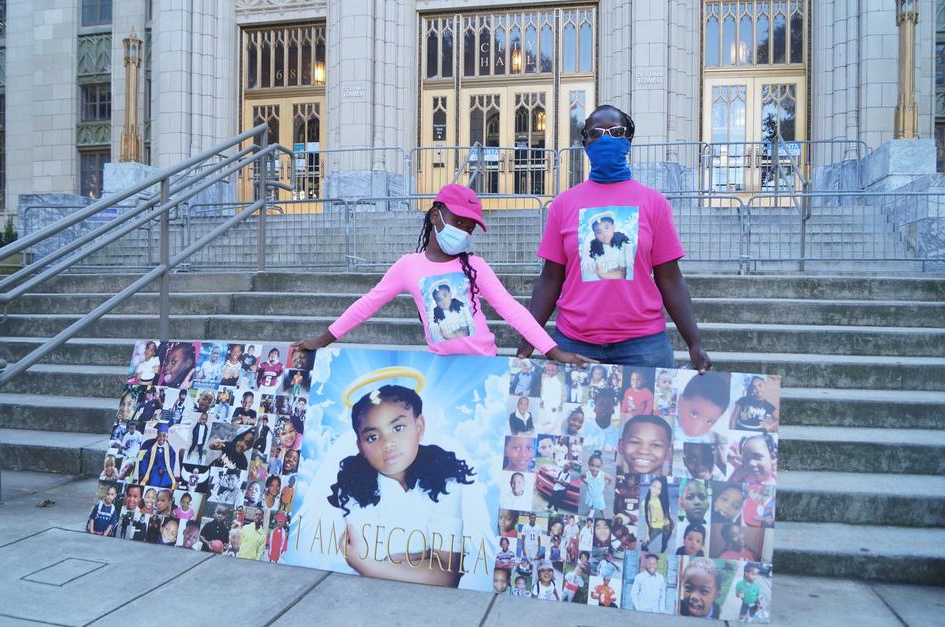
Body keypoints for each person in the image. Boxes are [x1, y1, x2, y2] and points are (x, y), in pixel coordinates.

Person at [291, 184, 591, 370]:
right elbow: (366, 305)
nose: (464, 231)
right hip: (441, 369)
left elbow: (512, 311)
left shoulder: (475, 266)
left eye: (470, 227)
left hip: (484, 365)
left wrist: (553, 351)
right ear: (436, 216)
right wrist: (322, 339)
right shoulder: (408, 267)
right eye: (458, 221)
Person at [516, 104, 711, 372]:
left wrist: (694, 342)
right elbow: (550, 278)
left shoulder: (654, 203)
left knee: (644, 416)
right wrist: (530, 336)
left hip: (643, 347)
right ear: (585, 143)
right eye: (596, 132)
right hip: (574, 345)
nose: (606, 138)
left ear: (628, 141)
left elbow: (671, 279)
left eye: (616, 131)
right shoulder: (563, 205)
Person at [326, 384, 481, 586]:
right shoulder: (352, 486)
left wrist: (369, 566)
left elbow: (448, 575)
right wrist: (424, 559)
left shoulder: (446, 480)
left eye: (398, 428)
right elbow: (365, 553)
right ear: (361, 446)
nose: (388, 443)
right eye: (373, 437)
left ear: (419, 427)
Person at [675, 373, 731, 444]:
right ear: (680, 401)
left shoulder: (716, 441)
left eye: (710, 422)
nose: (697, 429)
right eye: (693, 414)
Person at [132, 423, 180, 490]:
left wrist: (164, 469)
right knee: (154, 479)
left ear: (167, 437)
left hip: (166, 470)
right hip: (154, 469)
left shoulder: (170, 449)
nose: (161, 438)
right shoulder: (151, 448)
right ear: (157, 436)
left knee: (167, 480)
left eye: (164, 436)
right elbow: (145, 460)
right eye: (159, 436)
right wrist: (143, 473)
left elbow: (172, 461)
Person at [642, 476, 672, 553]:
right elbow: (647, 520)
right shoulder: (645, 503)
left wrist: (672, 525)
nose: (655, 490)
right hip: (655, 527)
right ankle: (645, 548)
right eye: (654, 486)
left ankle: (662, 550)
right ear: (650, 486)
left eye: (659, 489)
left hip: (666, 526)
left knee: (664, 543)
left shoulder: (663, 500)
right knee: (644, 545)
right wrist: (647, 534)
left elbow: (668, 513)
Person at [580, 452, 614, 519]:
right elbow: (581, 477)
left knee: (601, 508)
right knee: (591, 503)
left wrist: (606, 485)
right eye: (592, 465)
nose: (594, 469)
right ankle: (592, 510)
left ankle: (604, 517)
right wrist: (586, 483)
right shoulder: (587, 474)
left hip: (598, 496)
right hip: (590, 494)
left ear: (600, 467)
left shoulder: (602, 475)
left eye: (597, 467)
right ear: (588, 464)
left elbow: (611, 479)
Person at [536, 361, 565, 434]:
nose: (550, 372)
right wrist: (542, 399)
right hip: (546, 401)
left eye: (553, 370)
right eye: (548, 370)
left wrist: (557, 405)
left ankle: (550, 430)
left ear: (557, 371)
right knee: (547, 412)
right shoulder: (546, 379)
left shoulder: (556, 382)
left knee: (553, 416)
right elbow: (544, 390)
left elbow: (558, 394)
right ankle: (548, 421)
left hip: (553, 403)